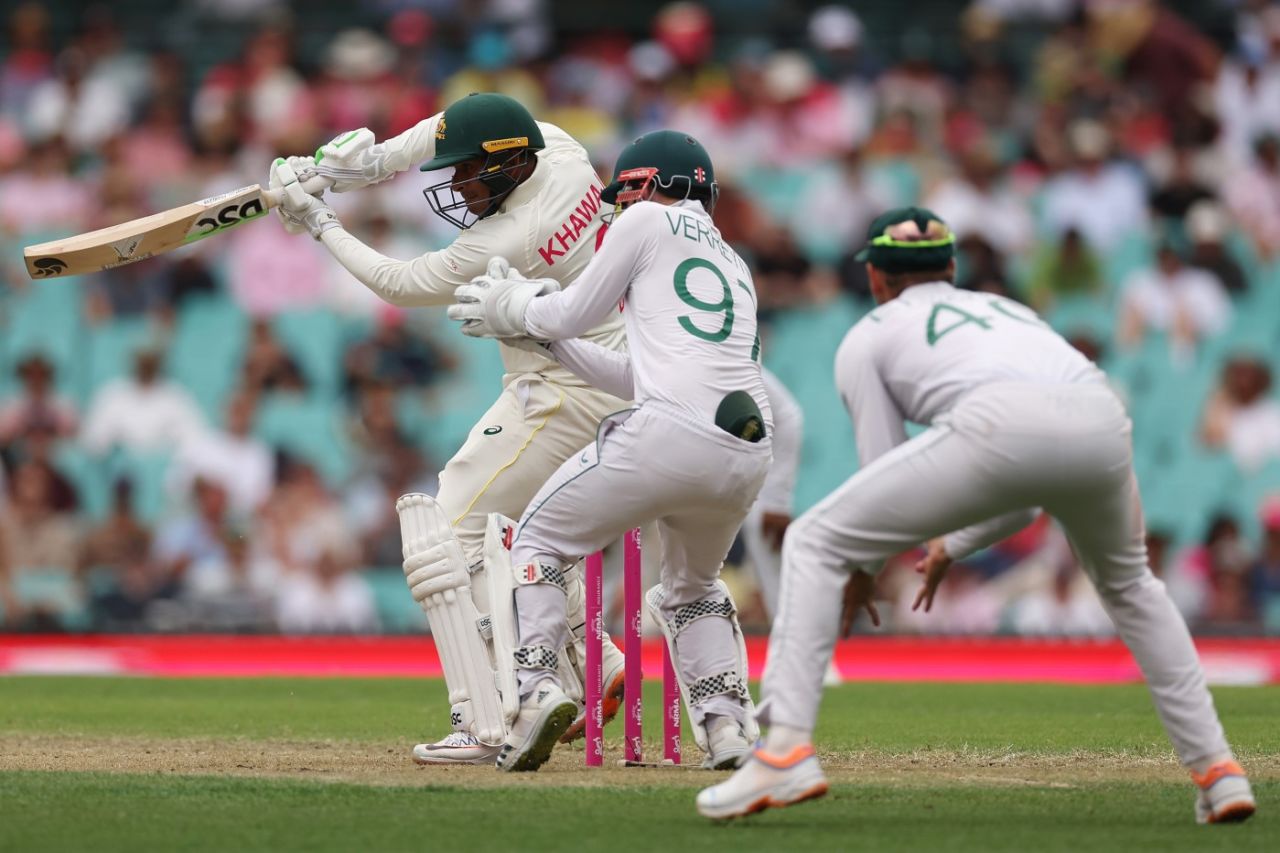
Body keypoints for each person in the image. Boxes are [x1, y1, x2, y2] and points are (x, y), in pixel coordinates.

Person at [696, 207, 1256, 825]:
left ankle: (785, 750)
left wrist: (866, 567)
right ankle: (1218, 770)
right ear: (952, 268)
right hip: (1100, 415)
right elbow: (1031, 487)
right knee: (1132, 588)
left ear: (877, 277)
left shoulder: (871, 332)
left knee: (810, 540)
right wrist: (951, 546)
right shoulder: (1012, 312)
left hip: (998, 419)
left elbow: (884, 473)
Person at [270, 92, 630, 764]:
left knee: (450, 526)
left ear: (509, 166)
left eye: (469, 173)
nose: (457, 184)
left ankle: (489, 713)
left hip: (561, 392)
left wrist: (320, 218)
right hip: (608, 373)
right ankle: (601, 662)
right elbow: (437, 134)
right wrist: (366, 164)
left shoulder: (509, 237)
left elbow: (398, 283)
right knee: (530, 528)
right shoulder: (560, 147)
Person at [448, 130, 772, 772]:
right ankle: (729, 729)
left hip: (668, 432)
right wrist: (541, 340)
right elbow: (633, 375)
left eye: (623, 190)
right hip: (745, 450)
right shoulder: (734, 263)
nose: (615, 206)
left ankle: (538, 687)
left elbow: (567, 313)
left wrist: (512, 303)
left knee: (534, 543)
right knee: (693, 587)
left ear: (652, 182)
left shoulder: (649, 219)